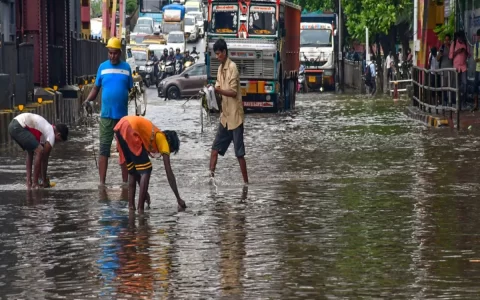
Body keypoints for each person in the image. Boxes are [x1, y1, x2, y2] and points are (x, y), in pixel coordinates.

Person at [83, 37, 133, 186]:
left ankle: (125, 183)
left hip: (122, 118)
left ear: (120, 53)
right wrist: (88, 100)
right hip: (106, 116)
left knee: (123, 151)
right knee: (104, 149)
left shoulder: (127, 68)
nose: (112, 56)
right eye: (110, 53)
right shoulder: (102, 68)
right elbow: (95, 88)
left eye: (115, 53)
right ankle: (102, 183)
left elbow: (130, 89)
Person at [113, 115, 186, 212]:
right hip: (130, 127)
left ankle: (131, 207)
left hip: (121, 126)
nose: (166, 153)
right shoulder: (163, 139)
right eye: (170, 150)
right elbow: (169, 172)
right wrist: (178, 198)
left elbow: (138, 171)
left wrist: (144, 193)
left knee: (133, 171)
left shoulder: (148, 137)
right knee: (147, 170)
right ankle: (140, 209)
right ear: (170, 143)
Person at [209, 38, 249, 184]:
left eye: (219, 53)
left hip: (235, 117)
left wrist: (218, 90)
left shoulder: (233, 68)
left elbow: (232, 92)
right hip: (225, 118)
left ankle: (246, 183)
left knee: (239, 154)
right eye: (216, 54)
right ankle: (210, 180)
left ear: (224, 52)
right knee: (214, 150)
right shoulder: (220, 69)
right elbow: (217, 89)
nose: (217, 56)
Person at [8, 113, 69, 188]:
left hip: (13, 125)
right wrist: (44, 180)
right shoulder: (51, 135)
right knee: (39, 150)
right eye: (59, 140)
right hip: (18, 126)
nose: (56, 143)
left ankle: (29, 182)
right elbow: (44, 159)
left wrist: (42, 177)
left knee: (31, 151)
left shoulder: (45, 131)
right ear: (58, 135)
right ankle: (35, 183)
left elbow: (40, 159)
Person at [449, 30, 469, 107]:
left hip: (463, 67)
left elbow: (469, 55)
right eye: (460, 37)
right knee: (456, 85)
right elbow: (450, 56)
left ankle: (463, 101)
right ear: (458, 37)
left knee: (465, 84)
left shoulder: (465, 44)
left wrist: (465, 51)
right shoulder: (453, 44)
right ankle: (456, 102)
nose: (461, 39)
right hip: (456, 67)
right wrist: (457, 51)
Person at [437, 34, 454, 105]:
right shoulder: (442, 47)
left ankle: (450, 101)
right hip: (443, 69)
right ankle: (444, 101)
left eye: (448, 40)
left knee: (450, 86)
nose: (446, 41)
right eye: (445, 40)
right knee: (444, 86)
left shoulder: (452, 47)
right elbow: (437, 59)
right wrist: (440, 55)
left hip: (451, 69)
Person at [474, 29, 480, 110]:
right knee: (475, 86)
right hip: (478, 68)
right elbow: (475, 57)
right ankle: (476, 104)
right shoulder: (476, 45)